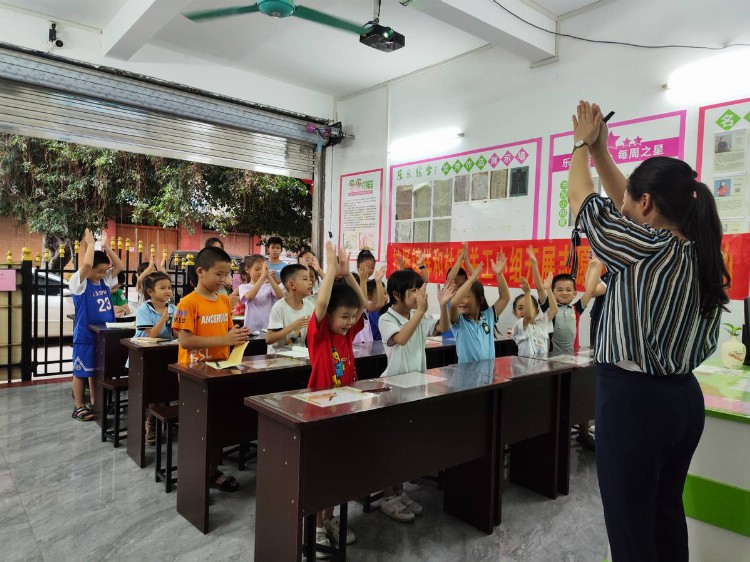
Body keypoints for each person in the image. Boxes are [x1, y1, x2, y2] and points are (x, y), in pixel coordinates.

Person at [568, 100, 729, 562]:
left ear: (647, 205)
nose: (623, 207)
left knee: (631, 533)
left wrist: (580, 143)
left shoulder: (648, 247)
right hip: (682, 402)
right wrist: (601, 150)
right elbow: (627, 202)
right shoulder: (697, 250)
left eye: (632, 202)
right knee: (663, 518)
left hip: (635, 403)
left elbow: (583, 202)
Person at [377, 269, 455, 521]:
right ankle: (388, 497)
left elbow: (443, 327)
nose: (420, 295)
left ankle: (400, 492)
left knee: (406, 445)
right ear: (396, 295)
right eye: (414, 290)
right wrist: (421, 312)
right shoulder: (387, 318)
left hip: (416, 389)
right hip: (394, 389)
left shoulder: (417, 315)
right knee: (391, 446)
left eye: (421, 289)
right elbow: (400, 339)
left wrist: (442, 305)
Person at [306, 241, 368, 553]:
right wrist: (330, 271)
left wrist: (349, 275)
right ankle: (316, 526)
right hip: (320, 412)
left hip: (346, 407)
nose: (349, 323)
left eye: (351, 318)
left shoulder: (348, 332)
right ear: (330, 315)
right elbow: (321, 305)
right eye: (344, 317)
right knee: (322, 469)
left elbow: (364, 304)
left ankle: (328, 519)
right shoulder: (319, 335)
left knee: (338, 469)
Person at [173, 245, 250, 492]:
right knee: (198, 428)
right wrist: (224, 340)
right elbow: (185, 341)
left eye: (226, 274)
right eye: (218, 274)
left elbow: (226, 333)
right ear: (200, 272)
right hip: (194, 376)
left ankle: (211, 470)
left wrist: (236, 336)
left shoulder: (224, 300)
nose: (223, 279)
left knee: (216, 425)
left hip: (220, 372)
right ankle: (197, 473)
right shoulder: (188, 302)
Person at [528, 246, 598, 450]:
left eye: (569, 290)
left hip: (573, 362)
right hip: (550, 363)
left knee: (581, 395)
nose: (565, 293)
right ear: (554, 292)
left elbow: (592, 289)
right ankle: (551, 434)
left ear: (575, 292)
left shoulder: (576, 309)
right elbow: (541, 290)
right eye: (559, 289)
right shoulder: (550, 309)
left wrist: (595, 265)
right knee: (554, 400)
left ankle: (584, 434)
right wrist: (534, 263)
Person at [68, 229, 124, 421]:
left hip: (104, 334)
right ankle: (78, 406)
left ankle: (95, 402)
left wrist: (106, 247)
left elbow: (119, 265)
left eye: (103, 271)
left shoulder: (104, 282)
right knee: (81, 371)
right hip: (86, 336)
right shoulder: (80, 283)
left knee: (96, 371)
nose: (101, 274)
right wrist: (90, 244)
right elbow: (87, 264)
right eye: (98, 271)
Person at [134, 271, 176, 445]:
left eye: (169, 287)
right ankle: (150, 424)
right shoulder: (145, 308)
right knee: (154, 391)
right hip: (145, 357)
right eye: (163, 288)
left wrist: (176, 324)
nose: (168, 291)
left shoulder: (173, 307)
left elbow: (175, 333)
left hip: (165, 353)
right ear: (150, 292)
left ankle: (167, 418)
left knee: (169, 386)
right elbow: (150, 334)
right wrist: (164, 318)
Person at [448, 253, 510, 363]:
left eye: (466, 297)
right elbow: (453, 304)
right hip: (467, 377)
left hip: (487, 377)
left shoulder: (488, 317)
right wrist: (471, 279)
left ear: (480, 300)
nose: (461, 301)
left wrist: (499, 274)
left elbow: (505, 297)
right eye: (460, 297)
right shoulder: (459, 322)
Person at [266, 264, 315, 352]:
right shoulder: (279, 307)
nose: (310, 282)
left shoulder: (310, 306)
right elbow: (269, 339)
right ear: (291, 285)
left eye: (310, 279)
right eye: (305, 279)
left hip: (300, 354)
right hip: (278, 357)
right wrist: (293, 326)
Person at [511, 275, 556, 356]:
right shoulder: (519, 325)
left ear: (537, 311)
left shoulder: (541, 322)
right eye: (520, 308)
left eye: (529, 307)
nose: (524, 311)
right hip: (526, 367)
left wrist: (549, 290)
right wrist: (527, 293)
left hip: (542, 366)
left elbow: (554, 310)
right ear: (515, 313)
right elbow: (528, 317)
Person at [238, 254, 283, 333]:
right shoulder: (244, 287)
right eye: (257, 269)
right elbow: (250, 296)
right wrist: (262, 277)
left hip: (268, 328)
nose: (260, 272)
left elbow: (280, 295)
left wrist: (269, 277)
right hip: (251, 329)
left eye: (263, 269)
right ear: (247, 269)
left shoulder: (268, 285)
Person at [352, 263, 386, 345]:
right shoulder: (349, 307)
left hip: (368, 348)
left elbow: (380, 304)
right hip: (354, 348)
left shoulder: (365, 307)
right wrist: (363, 280)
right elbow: (362, 302)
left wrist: (378, 281)